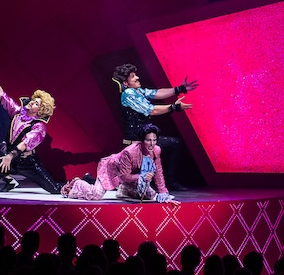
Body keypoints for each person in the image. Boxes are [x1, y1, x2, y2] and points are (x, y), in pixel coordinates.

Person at [0, 62, 64, 193]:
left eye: (36, 103)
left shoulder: (39, 127)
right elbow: (2, 95)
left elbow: (25, 143)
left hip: (28, 163)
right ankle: (10, 181)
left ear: (40, 110)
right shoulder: (17, 112)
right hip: (11, 160)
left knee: (54, 189)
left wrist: (10, 155)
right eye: (33, 99)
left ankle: (83, 184)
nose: (32, 102)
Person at [112, 63, 198, 191]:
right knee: (172, 145)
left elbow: (156, 93)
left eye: (136, 75)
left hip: (145, 140)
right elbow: (151, 110)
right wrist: (174, 107)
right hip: (135, 143)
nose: (137, 78)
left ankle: (166, 182)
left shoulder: (137, 91)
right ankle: (167, 182)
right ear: (125, 83)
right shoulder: (129, 94)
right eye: (133, 76)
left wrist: (179, 89)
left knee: (172, 145)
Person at [62, 123, 180, 205]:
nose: (152, 143)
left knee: (149, 195)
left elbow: (158, 172)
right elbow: (124, 176)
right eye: (148, 140)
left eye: (154, 140)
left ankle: (123, 190)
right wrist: (142, 176)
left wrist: (163, 192)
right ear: (142, 140)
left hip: (130, 174)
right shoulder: (130, 152)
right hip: (111, 169)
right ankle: (76, 183)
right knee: (95, 195)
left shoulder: (156, 150)